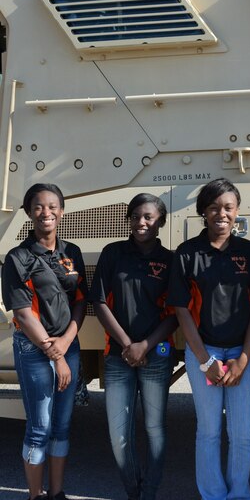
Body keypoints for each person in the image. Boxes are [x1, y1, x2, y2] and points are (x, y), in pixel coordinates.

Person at [167, 178, 250, 500]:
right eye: (213, 208)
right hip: (204, 353)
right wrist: (205, 361)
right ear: (203, 212)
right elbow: (181, 311)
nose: (221, 214)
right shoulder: (187, 253)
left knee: (242, 435)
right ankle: (212, 495)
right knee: (208, 432)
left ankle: (239, 494)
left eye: (228, 207)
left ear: (237, 212)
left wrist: (244, 359)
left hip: (240, 355)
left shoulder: (248, 253)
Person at [1, 184, 88, 500]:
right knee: (39, 429)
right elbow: (23, 314)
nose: (46, 212)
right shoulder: (18, 258)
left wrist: (66, 342)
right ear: (28, 212)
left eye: (53, 206)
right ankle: (35, 495)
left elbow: (80, 301)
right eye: (38, 207)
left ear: (62, 211)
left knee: (62, 428)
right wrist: (57, 354)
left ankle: (57, 493)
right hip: (34, 350)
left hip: (68, 347)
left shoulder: (71, 252)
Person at [90, 193, 177, 500]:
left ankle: (149, 492)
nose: (141, 222)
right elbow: (98, 301)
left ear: (161, 222)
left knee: (155, 429)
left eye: (149, 217)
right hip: (118, 356)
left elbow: (175, 313)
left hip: (157, 354)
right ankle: (133, 490)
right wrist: (128, 345)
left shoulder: (169, 260)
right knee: (119, 436)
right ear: (128, 219)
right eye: (136, 216)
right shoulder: (113, 253)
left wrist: (145, 345)